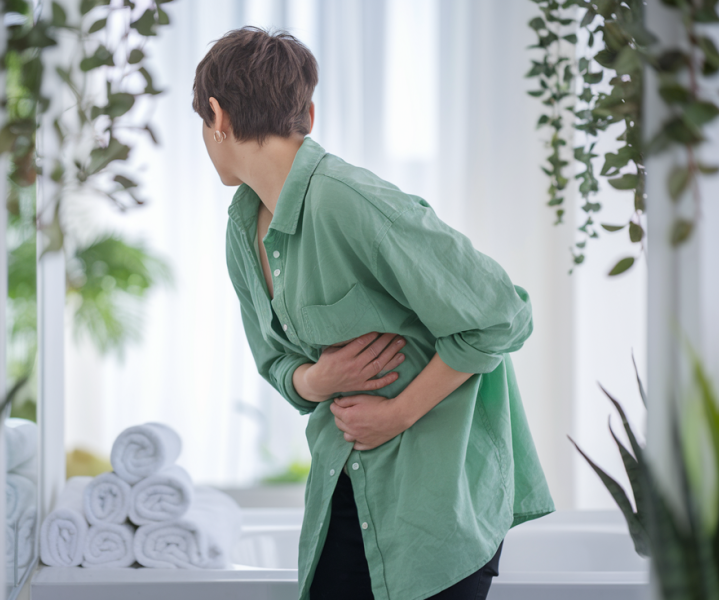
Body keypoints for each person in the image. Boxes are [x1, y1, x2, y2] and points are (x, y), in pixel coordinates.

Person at [193, 26, 554, 600]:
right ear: (308, 115)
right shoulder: (242, 231)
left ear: (216, 115)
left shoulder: (349, 201)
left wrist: (398, 413)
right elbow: (276, 363)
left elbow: (501, 315)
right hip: (343, 491)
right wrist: (317, 379)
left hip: (436, 506)